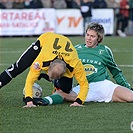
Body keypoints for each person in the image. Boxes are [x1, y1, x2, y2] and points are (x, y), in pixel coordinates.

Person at [35, 22, 133, 106]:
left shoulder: (105, 51)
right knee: (60, 93)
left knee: (130, 97)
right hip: (83, 87)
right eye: (87, 35)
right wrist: (55, 82)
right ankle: (42, 101)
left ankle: (110, 96)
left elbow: (116, 72)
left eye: (92, 36)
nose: (88, 39)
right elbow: (63, 69)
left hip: (104, 86)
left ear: (99, 38)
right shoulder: (75, 50)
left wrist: (127, 87)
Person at [0, 32, 88, 108]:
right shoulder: (41, 61)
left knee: (66, 89)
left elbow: (84, 84)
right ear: (49, 66)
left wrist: (79, 102)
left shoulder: (76, 64)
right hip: (45, 41)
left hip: (64, 50)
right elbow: (30, 80)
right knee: (19, 67)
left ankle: (52, 80)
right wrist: (29, 100)